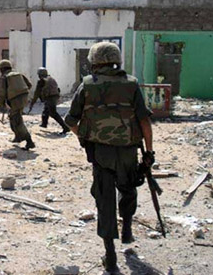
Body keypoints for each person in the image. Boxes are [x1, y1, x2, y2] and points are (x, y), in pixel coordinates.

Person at [64, 42, 154, 274]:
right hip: (127, 152)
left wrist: (84, 138)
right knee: (128, 188)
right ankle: (126, 230)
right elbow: (144, 121)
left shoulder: (87, 86)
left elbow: (70, 121)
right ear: (117, 59)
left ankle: (111, 257)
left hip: (101, 154)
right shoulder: (131, 84)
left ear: (94, 61)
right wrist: (149, 153)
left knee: (104, 202)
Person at [0, 59, 35, 150]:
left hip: (15, 100)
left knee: (17, 120)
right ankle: (18, 137)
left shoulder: (4, 77)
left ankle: (29, 141)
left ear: (2, 69)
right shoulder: (18, 74)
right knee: (13, 117)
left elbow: (2, 93)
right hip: (24, 97)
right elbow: (29, 84)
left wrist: (0, 104)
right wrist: (22, 91)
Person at [28, 67, 70, 134]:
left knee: (53, 113)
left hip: (50, 97)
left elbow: (37, 93)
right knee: (46, 110)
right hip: (55, 96)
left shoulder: (41, 81)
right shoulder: (51, 78)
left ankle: (65, 127)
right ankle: (44, 124)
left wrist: (32, 104)